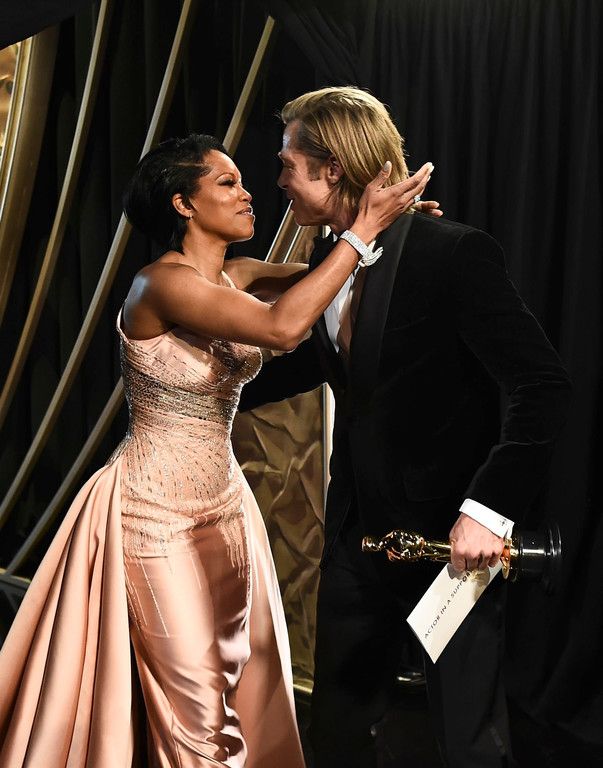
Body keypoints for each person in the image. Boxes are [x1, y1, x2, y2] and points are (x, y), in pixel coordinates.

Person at [0, 133, 433, 767]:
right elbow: (283, 328)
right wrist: (364, 230)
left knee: (238, 687)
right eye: (227, 183)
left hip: (227, 510)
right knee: (197, 707)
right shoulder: (159, 284)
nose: (248, 192)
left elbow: (336, 278)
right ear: (183, 203)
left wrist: (395, 232)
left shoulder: (238, 274)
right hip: (154, 515)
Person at [239, 87, 572, 768]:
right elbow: (318, 368)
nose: (278, 182)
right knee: (336, 732)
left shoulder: (452, 252)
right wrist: (192, 379)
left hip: (450, 544)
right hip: (355, 540)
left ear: (333, 168)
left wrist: (486, 512)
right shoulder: (328, 260)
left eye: (288, 165)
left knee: (466, 742)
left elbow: (541, 385)